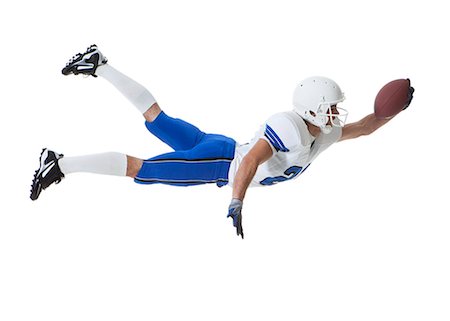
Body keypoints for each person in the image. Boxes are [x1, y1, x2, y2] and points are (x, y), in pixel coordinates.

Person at [30, 45, 414, 238]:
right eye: (330, 108)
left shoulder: (324, 133)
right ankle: (59, 163)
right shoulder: (290, 127)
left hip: (221, 145)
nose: (335, 115)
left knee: (157, 117)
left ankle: (99, 64)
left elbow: (365, 127)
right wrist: (236, 200)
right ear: (311, 109)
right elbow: (250, 164)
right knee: (141, 170)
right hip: (220, 163)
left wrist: (391, 112)